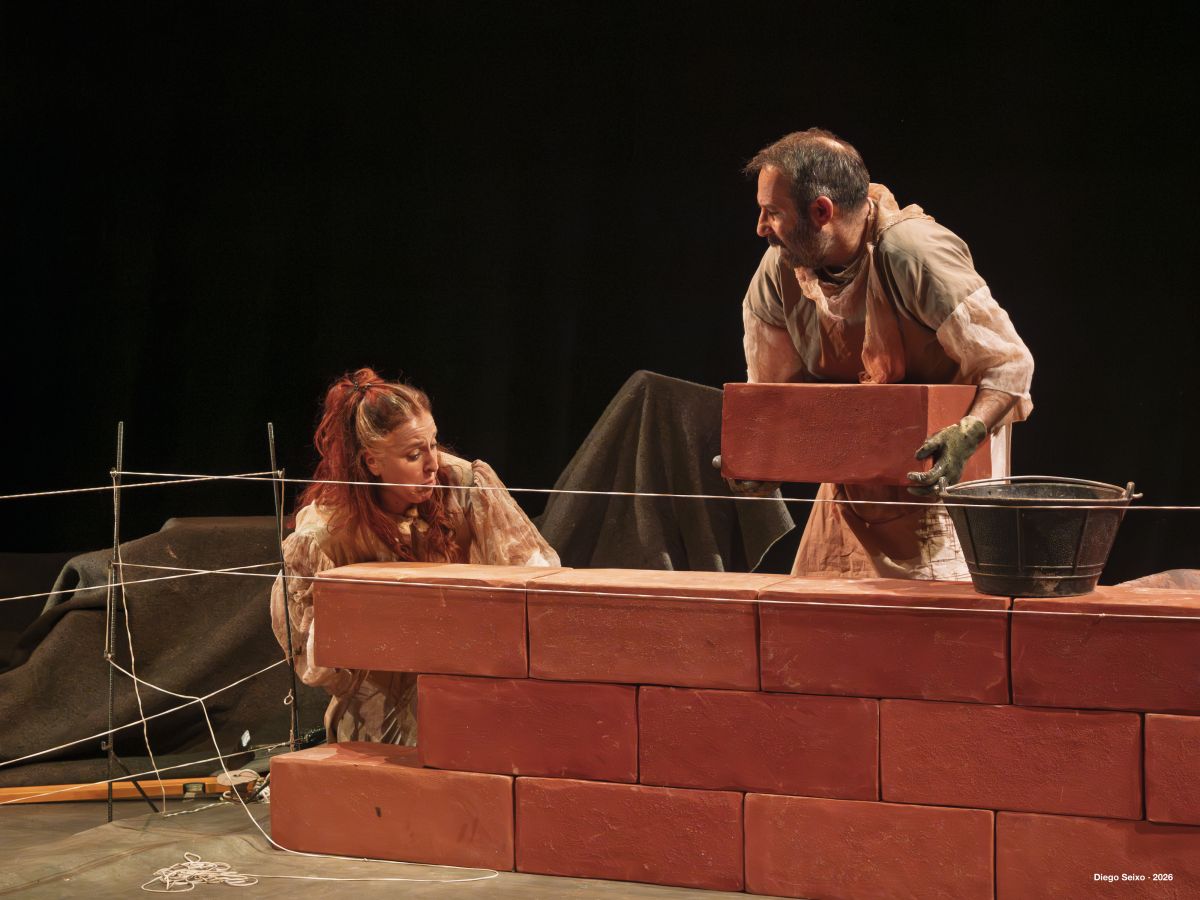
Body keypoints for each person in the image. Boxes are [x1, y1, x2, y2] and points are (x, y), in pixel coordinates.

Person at [738, 129, 1034, 580]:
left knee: (934, 619)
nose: (761, 227)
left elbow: (1008, 363)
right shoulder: (779, 273)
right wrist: (761, 454)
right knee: (822, 614)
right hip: (850, 489)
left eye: (773, 212)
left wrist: (968, 431)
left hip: (940, 490)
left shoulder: (914, 254)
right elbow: (774, 393)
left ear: (821, 211)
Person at [270, 368, 559, 745]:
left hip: (468, 672)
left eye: (433, 444)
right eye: (413, 454)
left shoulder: (462, 483)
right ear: (372, 463)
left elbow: (532, 568)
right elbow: (314, 654)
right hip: (384, 702)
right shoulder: (327, 533)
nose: (432, 464)